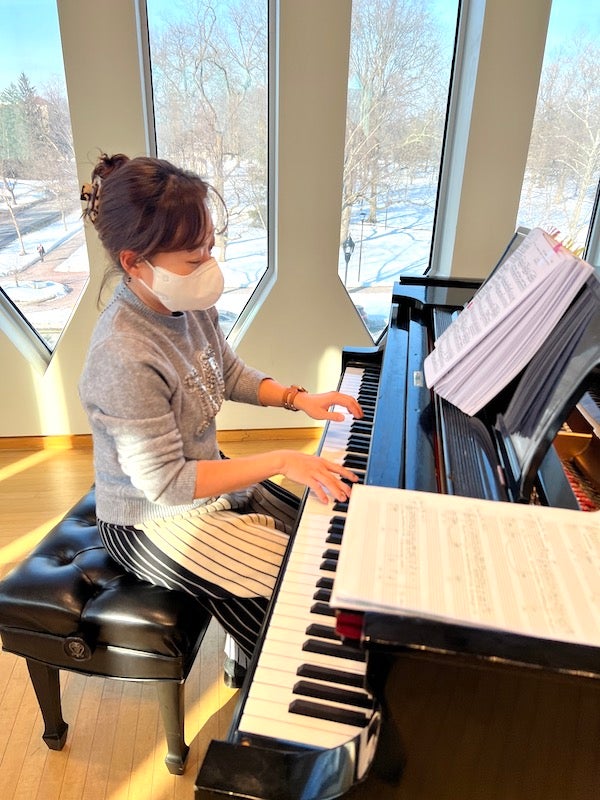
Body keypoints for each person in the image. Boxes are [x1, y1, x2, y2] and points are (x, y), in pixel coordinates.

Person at [78, 153, 363, 687]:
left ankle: (249, 657)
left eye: (209, 248)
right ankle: (282, 691)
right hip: (147, 519)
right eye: (193, 259)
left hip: (201, 480)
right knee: (295, 582)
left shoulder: (185, 302)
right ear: (135, 262)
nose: (208, 267)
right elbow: (166, 484)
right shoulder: (122, 354)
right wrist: (279, 460)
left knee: (316, 533)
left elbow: (226, 371)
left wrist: (299, 399)